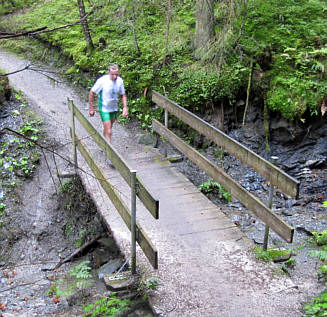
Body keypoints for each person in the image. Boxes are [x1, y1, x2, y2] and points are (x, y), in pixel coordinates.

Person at [89, 63, 128, 144]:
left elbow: (123, 95)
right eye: (112, 74)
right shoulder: (102, 81)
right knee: (109, 131)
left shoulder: (120, 81)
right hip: (104, 108)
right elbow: (92, 92)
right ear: (109, 73)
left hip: (114, 108)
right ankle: (109, 152)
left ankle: (104, 141)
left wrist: (125, 107)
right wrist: (91, 108)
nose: (115, 76)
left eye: (116, 74)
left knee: (109, 128)